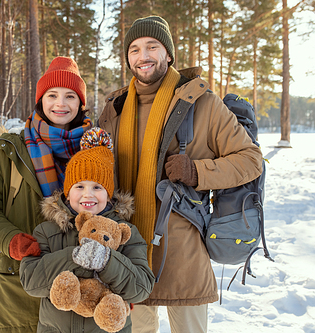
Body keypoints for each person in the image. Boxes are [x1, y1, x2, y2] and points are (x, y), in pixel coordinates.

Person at [98, 16, 264, 333]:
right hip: (129, 253)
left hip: (183, 253)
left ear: (168, 54)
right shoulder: (115, 108)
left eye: (152, 46)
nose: (142, 56)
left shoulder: (201, 103)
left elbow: (251, 160)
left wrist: (197, 171)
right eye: (134, 49)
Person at [0, 56, 93, 333]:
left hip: (79, 286)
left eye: (70, 96)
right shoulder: (11, 150)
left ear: (80, 103)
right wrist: (12, 240)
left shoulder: (94, 151)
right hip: (20, 284)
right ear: (41, 100)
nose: (60, 104)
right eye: (52, 95)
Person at [19, 128, 155, 332]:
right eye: (79, 186)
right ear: (67, 191)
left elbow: (142, 288)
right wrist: (74, 258)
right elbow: (30, 281)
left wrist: (107, 261)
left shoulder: (126, 233)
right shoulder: (47, 231)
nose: (88, 195)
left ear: (108, 194)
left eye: (97, 187)